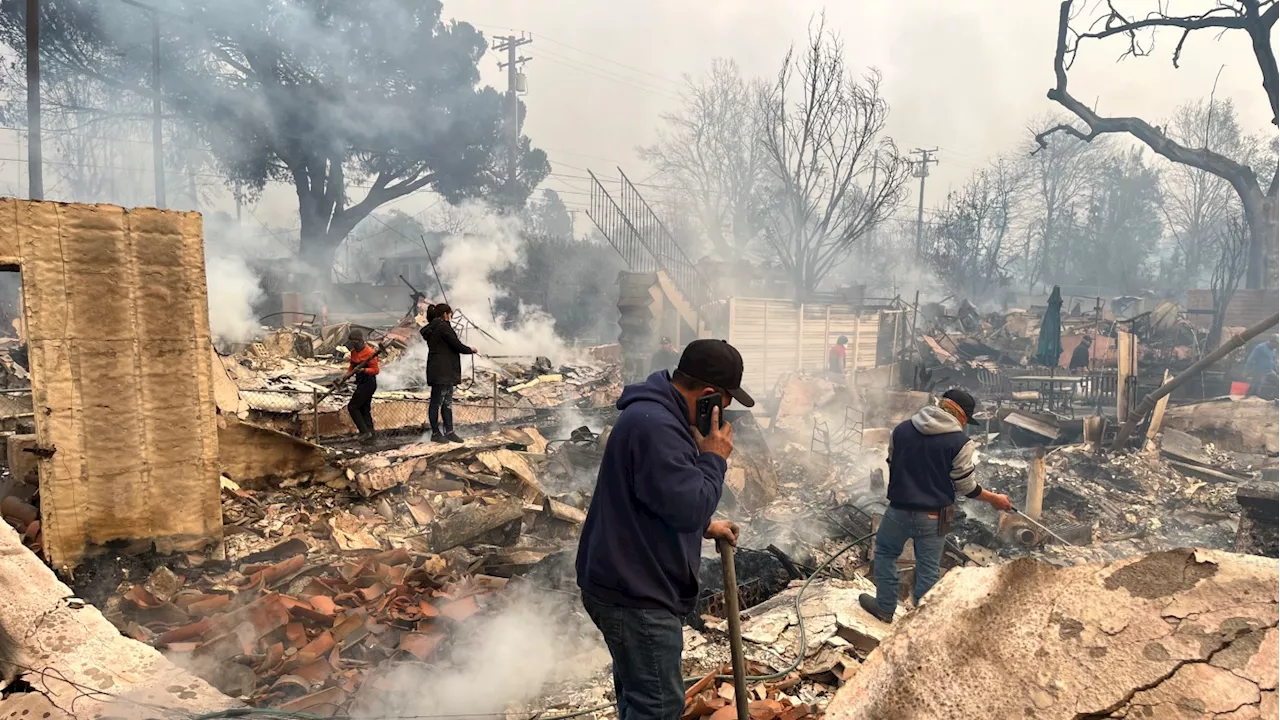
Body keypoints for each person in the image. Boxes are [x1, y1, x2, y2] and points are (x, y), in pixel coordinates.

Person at [577, 339, 752, 720]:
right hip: (637, 592)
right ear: (709, 396)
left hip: (624, 580)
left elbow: (657, 495)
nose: (725, 415)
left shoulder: (656, 417)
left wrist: (707, 525)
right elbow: (688, 507)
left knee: (639, 696)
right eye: (725, 403)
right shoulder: (658, 427)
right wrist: (714, 458)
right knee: (657, 707)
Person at [859, 389, 1013, 624]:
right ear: (961, 416)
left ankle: (884, 607)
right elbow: (966, 487)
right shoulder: (960, 443)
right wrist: (994, 499)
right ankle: (922, 623)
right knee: (928, 568)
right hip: (934, 516)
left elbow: (892, 461)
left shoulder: (901, 430)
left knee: (885, 554)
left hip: (898, 510)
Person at [421, 303, 476, 443]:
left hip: (440, 370)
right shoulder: (443, 327)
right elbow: (456, 344)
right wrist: (470, 349)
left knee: (443, 403)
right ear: (445, 314)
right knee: (440, 403)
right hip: (443, 371)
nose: (450, 317)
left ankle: (447, 431)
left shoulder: (433, 328)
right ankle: (438, 433)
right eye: (450, 314)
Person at [342, 329, 379, 445]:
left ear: (360, 341)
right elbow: (352, 365)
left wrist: (364, 369)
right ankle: (371, 436)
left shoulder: (369, 352)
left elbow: (375, 370)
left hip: (368, 382)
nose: (354, 344)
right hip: (360, 381)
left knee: (353, 406)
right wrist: (348, 374)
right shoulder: (353, 352)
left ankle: (364, 432)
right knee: (364, 409)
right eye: (352, 342)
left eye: (355, 342)